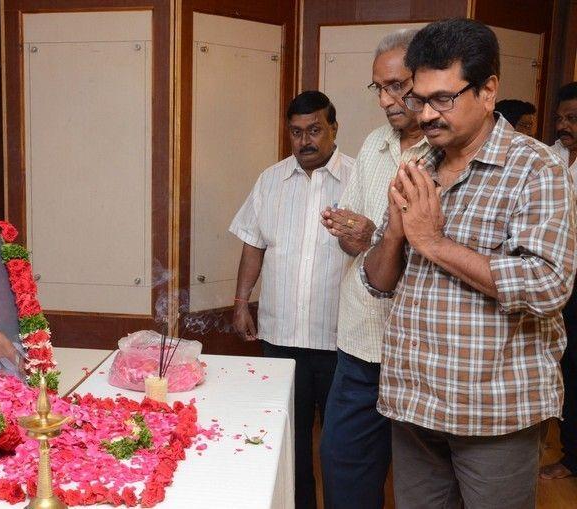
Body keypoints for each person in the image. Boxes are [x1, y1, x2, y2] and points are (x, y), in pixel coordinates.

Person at [361, 19, 575, 508]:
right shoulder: (418, 167)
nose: (427, 114)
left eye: (444, 99)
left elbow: (548, 284)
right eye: (419, 98)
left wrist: (433, 241)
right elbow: (378, 284)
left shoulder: (537, 169)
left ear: (488, 90)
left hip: (492, 411)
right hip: (415, 404)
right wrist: (396, 232)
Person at [319, 29, 430, 509]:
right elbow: (355, 250)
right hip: (362, 344)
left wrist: (382, 239)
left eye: (398, 85)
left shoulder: (451, 150)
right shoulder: (374, 145)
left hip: (423, 355)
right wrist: (351, 234)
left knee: (424, 487)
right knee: (344, 471)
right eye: (378, 88)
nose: (386, 100)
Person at [230, 90, 354, 509]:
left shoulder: (360, 178)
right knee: (289, 440)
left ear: (334, 128)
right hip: (281, 338)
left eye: (315, 130)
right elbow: (253, 244)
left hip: (341, 340)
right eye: (297, 132)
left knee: (341, 447)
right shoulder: (270, 179)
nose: (305, 141)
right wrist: (242, 301)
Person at [540, 80, 577, 481]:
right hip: (551, 279)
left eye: (573, 118)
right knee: (563, 365)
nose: (564, 126)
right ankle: (568, 452)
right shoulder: (547, 159)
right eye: (561, 118)